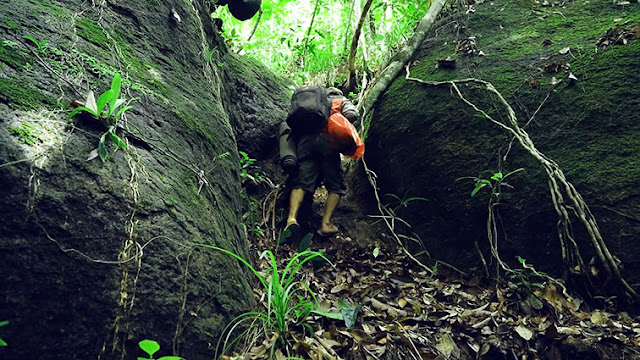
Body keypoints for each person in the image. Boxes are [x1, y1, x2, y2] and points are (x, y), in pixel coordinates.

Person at [284, 87, 359, 241]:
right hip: (328, 142)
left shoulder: (307, 103)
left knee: (301, 183)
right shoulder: (339, 101)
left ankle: (291, 219)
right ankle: (326, 224)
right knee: (336, 185)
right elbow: (353, 114)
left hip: (305, 143)